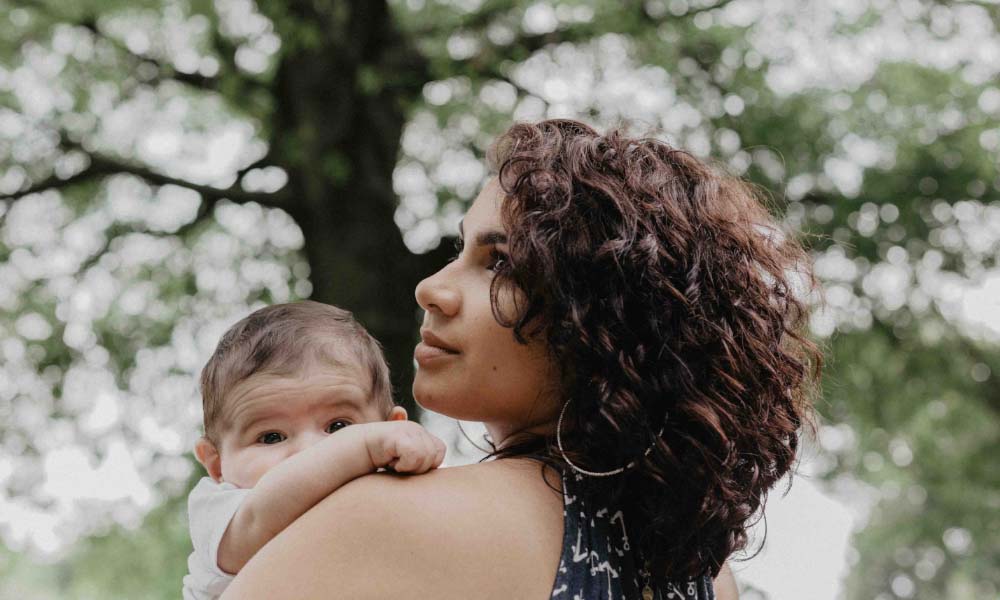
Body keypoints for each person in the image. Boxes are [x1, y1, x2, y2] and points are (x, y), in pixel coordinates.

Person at [221, 119, 822, 599]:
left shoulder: (391, 520)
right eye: (460, 250)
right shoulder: (703, 577)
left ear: (602, 319)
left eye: (500, 263)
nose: (431, 288)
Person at [183, 301, 446, 600]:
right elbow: (258, 520)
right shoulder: (220, 511)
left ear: (391, 427)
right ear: (217, 466)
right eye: (270, 437)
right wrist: (361, 445)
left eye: (337, 427)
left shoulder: (395, 499)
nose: (310, 452)